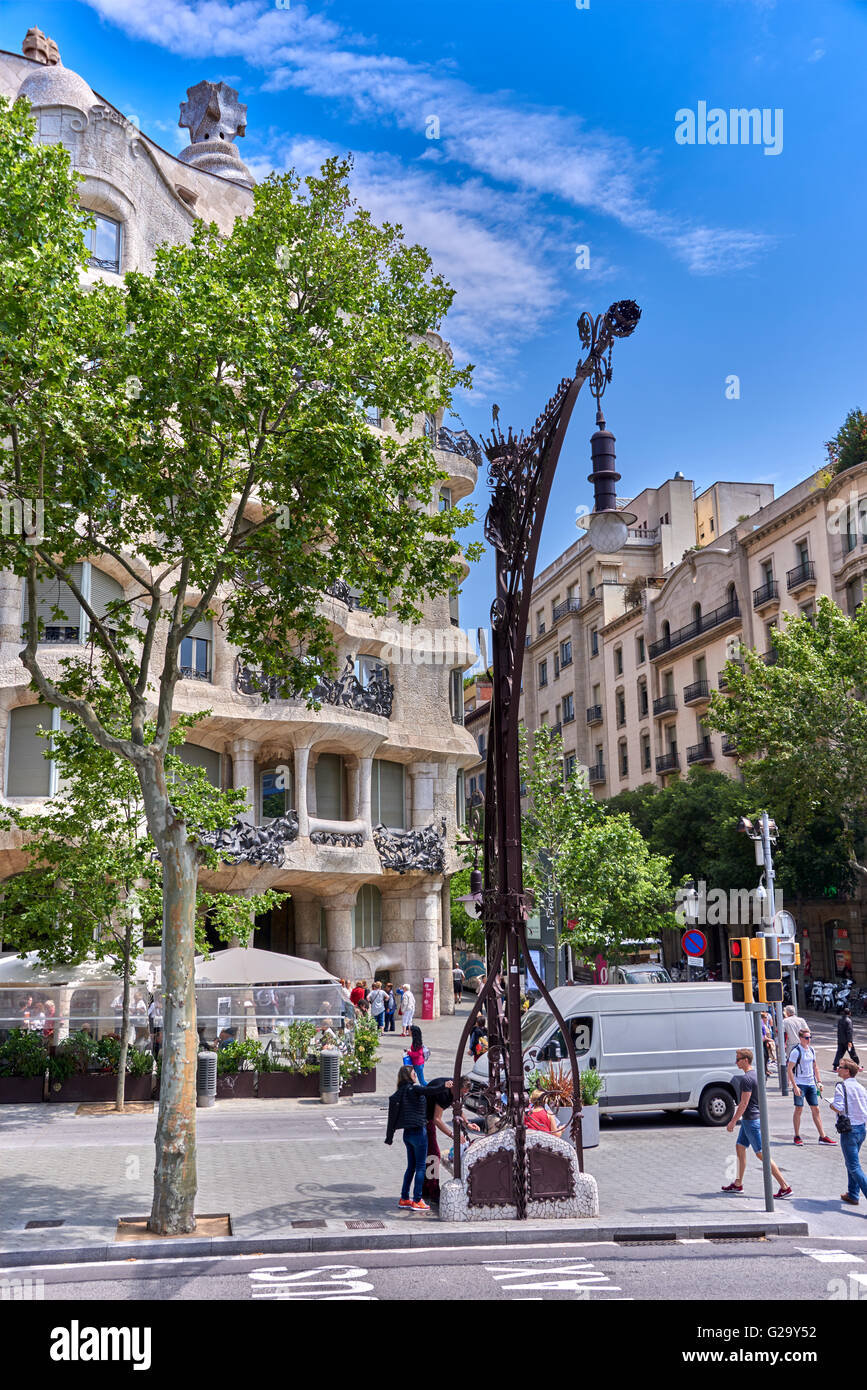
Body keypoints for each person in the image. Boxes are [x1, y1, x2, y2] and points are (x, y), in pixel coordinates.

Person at [722, 1048, 792, 1198]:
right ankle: (738, 1183)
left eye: (738, 1059)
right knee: (740, 1147)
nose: (736, 1062)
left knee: (762, 1154)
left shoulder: (746, 1079)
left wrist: (733, 1121)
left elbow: (744, 1102)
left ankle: (784, 1186)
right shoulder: (756, 1075)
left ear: (745, 1060)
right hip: (751, 1119)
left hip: (751, 1120)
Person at [422, 1075, 480, 1202]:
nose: (463, 1095)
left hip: (428, 1118)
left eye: (465, 1093)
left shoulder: (455, 1087)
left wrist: (467, 1122)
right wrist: (453, 1136)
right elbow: (437, 1119)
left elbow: (457, 1106)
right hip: (423, 1119)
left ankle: (425, 1189)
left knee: (429, 1155)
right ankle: (434, 1192)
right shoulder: (444, 1092)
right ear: (456, 1087)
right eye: (462, 1092)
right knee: (433, 1155)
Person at [384, 1065, 434, 1211]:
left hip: (408, 1134)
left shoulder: (399, 1093)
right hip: (419, 1132)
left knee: (411, 1167)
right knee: (420, 1167)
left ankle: (404, 1198)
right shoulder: (415, 1089)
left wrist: (389, 1137)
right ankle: (417, 1200)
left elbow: (391, 1118)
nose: (416, 1075)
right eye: (414, 1073)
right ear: (409, 1076)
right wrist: (445, 1085)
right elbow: (430, 1090)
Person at [787, 1026, 837, 1146]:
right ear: (800, 1038)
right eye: (806, 1038)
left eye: (810, 1037)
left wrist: (819, 1082)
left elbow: (815, 1067)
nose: (809, 1040)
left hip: (811, 1084)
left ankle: (822, 1136)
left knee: (816, 1109)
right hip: (800, 1084)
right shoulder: (796, 1052)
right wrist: (794, 1086)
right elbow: (789, 1069)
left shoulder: (812, 1050)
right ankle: (797, 1136)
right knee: (799, 1109)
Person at [828, 1057, 867, 1207]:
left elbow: (838, 1106)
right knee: (852, 1163)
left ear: (847, 1071)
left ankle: (856, 1194)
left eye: (840, 1067)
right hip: (861, 1129)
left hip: (849, 1130)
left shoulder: (841, 1086)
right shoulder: (861, 1087)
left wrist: (830, 1104)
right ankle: (853, 1194)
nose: (838, 1068)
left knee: (854, 1166)